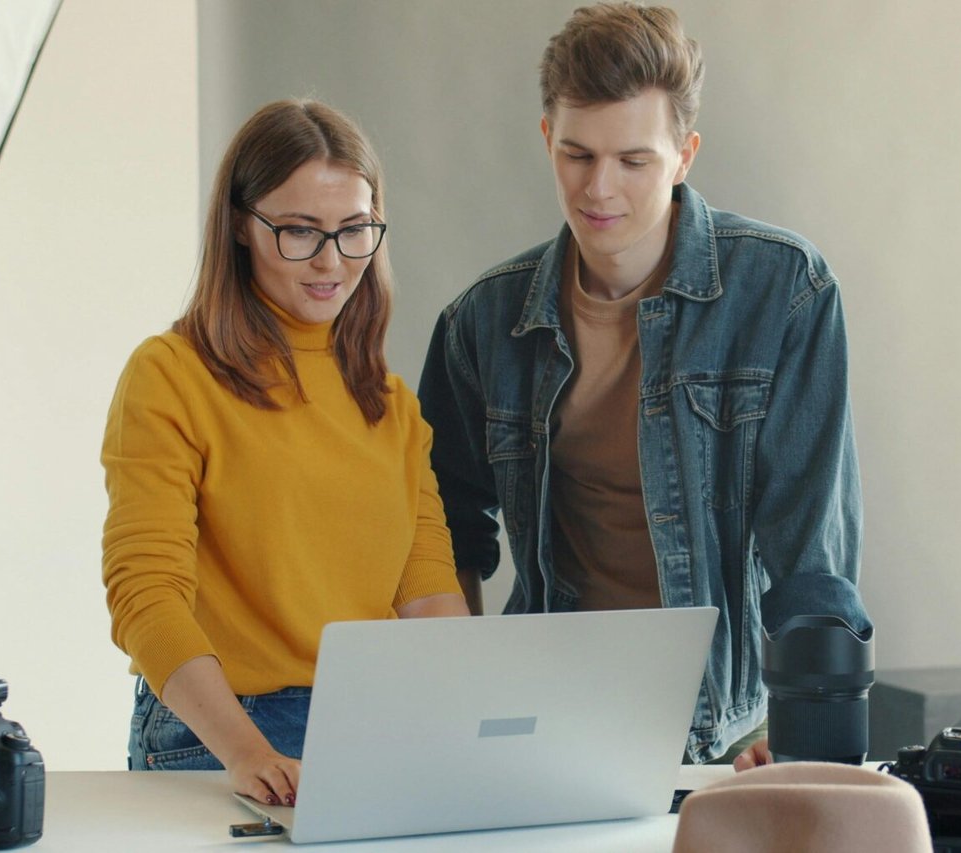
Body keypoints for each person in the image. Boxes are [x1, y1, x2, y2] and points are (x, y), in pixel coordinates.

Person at [418, 2, 868, 770]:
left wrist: (800, 735)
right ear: (545, 140)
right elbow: (442, 534)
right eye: (576, 154)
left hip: (728, 732)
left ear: (685, 153)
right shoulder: (482, 322)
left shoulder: (785, 289)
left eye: (634, 160)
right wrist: (467, 704)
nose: (600, 189)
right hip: (545, 721)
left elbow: (811, 554)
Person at [101, 99, 467, 807]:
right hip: (219, 732)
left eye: (355, 231)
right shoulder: (171, 375)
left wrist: (482, 722)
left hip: (370, 727)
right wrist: (247, 752)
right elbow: (145, 595)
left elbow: (426, 589)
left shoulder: (388, 402)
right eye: (299, 232)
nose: (331, 261)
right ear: (241, 225)